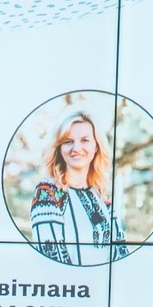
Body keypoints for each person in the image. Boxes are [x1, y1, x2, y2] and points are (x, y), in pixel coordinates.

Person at [29, 109, 125, 265]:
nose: (76, 148)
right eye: (68, 141)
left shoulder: (102, 197)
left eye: (85, 140)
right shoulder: (48, 192)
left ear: (96, 146)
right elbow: (52, 261)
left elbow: (121, 253)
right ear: (60, 148)